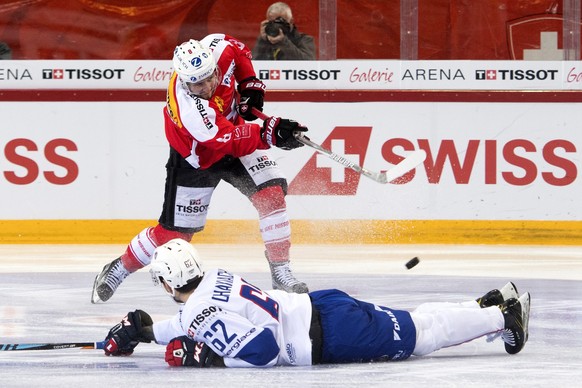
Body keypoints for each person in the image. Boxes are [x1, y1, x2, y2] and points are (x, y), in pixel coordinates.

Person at [90, 34, 310, 304]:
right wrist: (271, 133)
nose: (206, 87)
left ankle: (281, 271)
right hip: (198, 156)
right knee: (175, 235)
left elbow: (238, 49)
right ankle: (120, 268)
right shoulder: (189, 108)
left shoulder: (218, 50)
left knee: (271, 195)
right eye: (197, 83)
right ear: (183, 80)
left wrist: (250, 85)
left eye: (210, 77)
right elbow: (226, 139)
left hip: (235, 133)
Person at [101, 239, 531, 367]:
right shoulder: (214, 279)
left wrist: (208, 360)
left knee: (421, 337)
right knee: (415, 322)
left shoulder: (197, 312)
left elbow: (263, 351)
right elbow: (193, 321)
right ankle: (487, 309)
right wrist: (144, 331)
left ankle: (502, 317)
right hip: (322, 307)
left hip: (329, 337)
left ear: (165, 281)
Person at [252, 2, 316, 60]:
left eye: (280, 22)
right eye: (273, 22)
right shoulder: (264, 41)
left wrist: (283, 42)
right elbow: (251, 65)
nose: (277, 26)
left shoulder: (304, 40)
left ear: (291, 21)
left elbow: (309, 64)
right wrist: (262, 40)